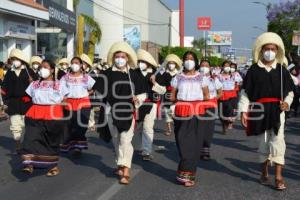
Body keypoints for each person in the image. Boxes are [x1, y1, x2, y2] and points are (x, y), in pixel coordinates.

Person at [238, 32, 294, 191]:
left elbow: (290, 92)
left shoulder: (283, 71)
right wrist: (243, 111)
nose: (270, 51)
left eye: (273, 49)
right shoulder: (254, 70)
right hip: (259, 111)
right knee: (262, 143)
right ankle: (264, 172)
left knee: (278, 141)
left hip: (277, 111)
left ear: (277, 51)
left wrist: (287, 104)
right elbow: (245, 92)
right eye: (267, 48)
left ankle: (278, 176)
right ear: (261, 50)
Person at [95, 41, 147, 185]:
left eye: (123, 56)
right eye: (117, 56)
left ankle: (126, 170)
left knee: (126, 140)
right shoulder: (106, 73)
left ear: (128, 58)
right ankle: (120, 164)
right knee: (116, 139)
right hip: (110, 111)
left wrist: (138, 99)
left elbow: (143, 93)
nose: (120, 59)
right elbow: (99, 92)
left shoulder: (134, 74)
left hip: (128, 111)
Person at [21, 59, 68, 176]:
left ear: (52, 70)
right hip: (35, 113)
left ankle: (53, 166)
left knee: (51, 141)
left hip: (53, 114)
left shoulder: (60, 84)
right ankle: (29, 163)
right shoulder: (34, 84)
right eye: (41, 67)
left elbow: (65, 100)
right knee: (30, 138)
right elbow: (27, 97)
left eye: (46, 67)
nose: (42, 69)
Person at [170, 51, 210, 187]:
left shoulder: (202, 77)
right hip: (181, 110)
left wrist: (194, 99)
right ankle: (186, 168)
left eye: (191, 59)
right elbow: (172, 96)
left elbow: (206, 95)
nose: (189, 61)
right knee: (181, 140)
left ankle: (189, 174)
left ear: (195, 62)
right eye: (186, 59)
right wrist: (179, 101)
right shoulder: (177, 77)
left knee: (195, 142)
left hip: (197, 110)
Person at [135, 49, 167, 161]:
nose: (140, 63)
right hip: (136, 104)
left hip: (150, 104)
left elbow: (163, 91)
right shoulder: (134, 72)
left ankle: (146, 151)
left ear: (148, 62)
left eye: (143, 61)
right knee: (137, 128)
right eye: (139, 61)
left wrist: (154, 82)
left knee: (148, 128)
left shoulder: (155, 74)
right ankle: (138, 147)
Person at [1, 49, 35, 153]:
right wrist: (5, 103)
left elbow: (38, 87)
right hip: (13, 103)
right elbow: (4, 89)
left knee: (28, 125)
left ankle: (28, 144)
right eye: (13, 59)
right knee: (15, 126)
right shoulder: (9, 73)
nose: (15, 61)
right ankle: (18, 145)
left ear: (21, 60)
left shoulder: (29, 72)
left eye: (16, 59)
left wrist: (32, 82)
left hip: (27, 103)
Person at [60, 56, 96, 155]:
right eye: (72, 63)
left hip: (83, 103)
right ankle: (72, 145)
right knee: (70, 126)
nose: (74, 65)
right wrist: (63, 99)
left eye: (76, 63)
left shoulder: (86, 77)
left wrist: (89, 93)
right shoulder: (65, 77)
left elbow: (95, 87)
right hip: (69, 103)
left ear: (81, 65)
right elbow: (61, 90)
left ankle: (78, 147)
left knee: (81, 126)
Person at [199, 60, 223, 160]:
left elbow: (220, 93)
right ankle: (197, 147)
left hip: (210, 107)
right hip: (197, 106)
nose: (204, 67)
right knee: (198, 127)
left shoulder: (214, 79)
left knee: (208, 128)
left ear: (210, 68)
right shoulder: (195, 78)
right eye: (202, 65)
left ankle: (206, 149)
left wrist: (213, 99)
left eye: (206, 65)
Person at [159, 54, 182, 136]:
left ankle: (176, 124)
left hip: (176, 95)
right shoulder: (164, 74)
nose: (171, 65)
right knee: (167, 112)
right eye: (169, 63)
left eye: (172, 63)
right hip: (166, 95)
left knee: (174, 112)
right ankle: (169, 128)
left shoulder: (179, 74)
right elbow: (161, 84)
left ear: (175, 64)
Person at [218, 60, 239, 133]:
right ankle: (224, 124)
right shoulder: (219, 76)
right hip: (222, 95)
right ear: (222, 67)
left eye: (228, 66)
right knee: (221, 113)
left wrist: (237, 85)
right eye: (225, 66)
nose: (227, 67)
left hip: (232, 95)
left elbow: (240, 81)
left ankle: (228, 122)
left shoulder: (234, 75)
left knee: (230, 109)